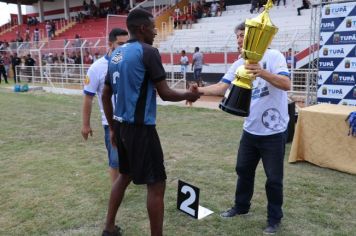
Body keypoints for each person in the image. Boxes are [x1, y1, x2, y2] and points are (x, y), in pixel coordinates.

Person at [101, 8, 201, 236]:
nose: (156, 31)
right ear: (143, 28)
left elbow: (106, 94)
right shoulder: (148, 52)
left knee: (124, 175)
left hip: (122, 127)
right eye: (154, 27)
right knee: (156, 184)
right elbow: (164, 93)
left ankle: (109, 227)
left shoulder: (116, 54)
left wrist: (114, 129)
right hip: (141, 130)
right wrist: (189, 95)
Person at [192, 22, 291, 235]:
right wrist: (197, 90)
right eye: (237, 36)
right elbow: (221, 87)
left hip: (273, 132)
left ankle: (274, 218)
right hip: (250, 130)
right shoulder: (239, 63)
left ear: (255, 37)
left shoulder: (274, 56)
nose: (238, 40)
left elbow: (286, 84)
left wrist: (262, 72)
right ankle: (241, 206)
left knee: (274, 179)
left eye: (242, 36)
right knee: (243, 171)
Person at [81, 28, 129, 184]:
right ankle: (117, 193)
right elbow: (88, 97)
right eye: (120, 44)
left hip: (132, 119)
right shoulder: (97, 68)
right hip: (111, 123)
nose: (124, 48)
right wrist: (85, 125)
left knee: (135, 154)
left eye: (126, 44)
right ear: (110, 44)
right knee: (115, 161)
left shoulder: (131, 63)